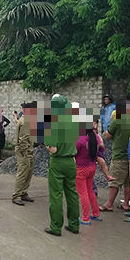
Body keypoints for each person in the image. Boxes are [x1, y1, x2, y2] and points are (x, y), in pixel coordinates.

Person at [44, 95, 80, 236]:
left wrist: (47, 144)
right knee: (72, 193)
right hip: (71, 161)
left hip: (58, 162)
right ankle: (74, 225)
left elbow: (53, 149)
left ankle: (56, 227)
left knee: (56, 195)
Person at [76, 123, 114, 225]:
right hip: (92, 167)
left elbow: (73, 152)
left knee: (83, 193)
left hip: (80, 169)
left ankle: (85, 217)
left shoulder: (80, 139)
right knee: (90, 191)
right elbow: (102, 149)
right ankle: (96, 213)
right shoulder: (96, 137)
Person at [100, 99, 130, 212]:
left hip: (119, 154)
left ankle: (109, 204)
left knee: (114, 181)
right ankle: (126, 204)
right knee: (128, 182)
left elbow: (107, 135)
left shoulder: (118, 120)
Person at [12, 102, 35, 206]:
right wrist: (25, 153)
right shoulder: (26, 121)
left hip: (28, 151)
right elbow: (23, 139)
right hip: (24, 151)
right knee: (22, 173)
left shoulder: (27, 119)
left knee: (28, 173)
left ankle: (23, 192)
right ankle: (17, 195)